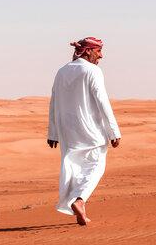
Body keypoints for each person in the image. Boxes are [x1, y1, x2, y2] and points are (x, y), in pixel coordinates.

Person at [47, 37, 121, 225]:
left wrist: (53, 132)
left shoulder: (62, 71)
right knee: (96, 164)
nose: (101, 56)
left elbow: (53, 101)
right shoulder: (93, 70)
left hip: (67, 130)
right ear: (88, 51)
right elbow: (102, 101)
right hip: (89, 127)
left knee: (73, 165)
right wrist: (113, 132)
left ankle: (79, 206)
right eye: (98, 51)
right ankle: (79, 201)